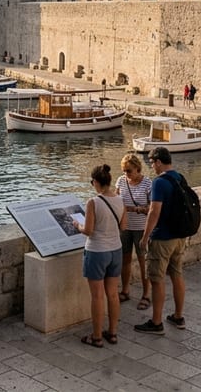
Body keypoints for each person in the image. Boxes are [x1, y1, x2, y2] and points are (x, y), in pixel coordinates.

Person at [137, 147, 188, 334]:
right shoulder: (179, 178)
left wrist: (144, 237)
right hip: (179, 237)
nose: (152, 167)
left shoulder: (159, 182)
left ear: (158, 161)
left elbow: (154, 211)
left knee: (156, 279)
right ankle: (178, 316)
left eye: (152, 163)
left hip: (162, 238)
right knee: (177, 275)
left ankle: (156, 322)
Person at [74, 164, 125, 347]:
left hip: (97, 251)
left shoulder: (93, 202)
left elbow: (87, 230)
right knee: (112, 294)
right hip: (116, 250)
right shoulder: (120, 200)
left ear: (95, 182)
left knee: (97, 296)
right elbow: (123, 226)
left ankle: (96, 336)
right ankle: (112, 333)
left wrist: (76, 225)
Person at [117, 153, 153, 311]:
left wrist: (136, 209)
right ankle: (125, 290)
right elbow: (116, 201)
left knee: (142, 262)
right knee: (124, 260)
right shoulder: (121, 181)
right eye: (124, 170)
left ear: (138, 169)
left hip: (141, 228)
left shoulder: (147, 184)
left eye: (129, 170)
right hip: (125, 228)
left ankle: (146, 294)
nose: (126, 174)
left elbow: (153, 209)